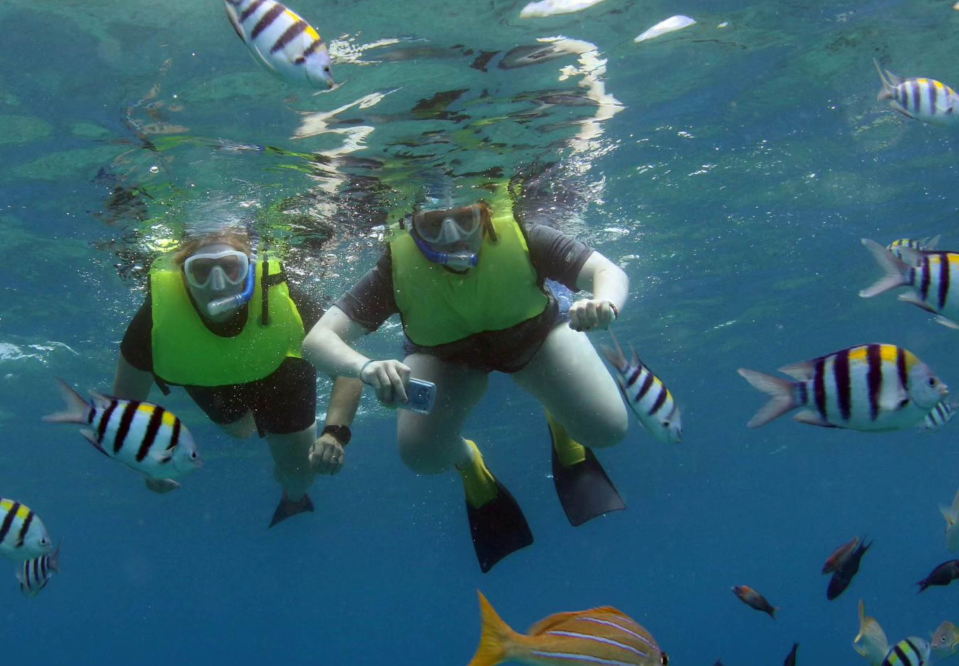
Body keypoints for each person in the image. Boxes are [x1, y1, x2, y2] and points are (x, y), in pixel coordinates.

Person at [302, 194, 630, 572]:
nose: (451, 236)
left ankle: (560, 410)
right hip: (448, 359)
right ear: (411, 225)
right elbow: (317, 341)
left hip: (536, 339)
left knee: (608, 429)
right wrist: (365, 367)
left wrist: (606, 303)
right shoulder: (395, 267)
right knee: (420, 456)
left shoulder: (524, 234)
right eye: (433, 224)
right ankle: (469, 461)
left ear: (485, 213)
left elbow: (609, 273)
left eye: (464, 219)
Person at [113, 228, 362, 524]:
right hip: (209, 375)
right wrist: (144, 463)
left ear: (250, 270)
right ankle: (268, 433)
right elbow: (124, 407)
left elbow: (349, 370)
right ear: (183, 276)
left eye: (232, 268)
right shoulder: (153, 321)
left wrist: (335, 433)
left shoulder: (287, 299)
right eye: (201, 271)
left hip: (282, 375)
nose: (218, 285)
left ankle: (292, 499)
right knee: (240, 432)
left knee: (300, 476)